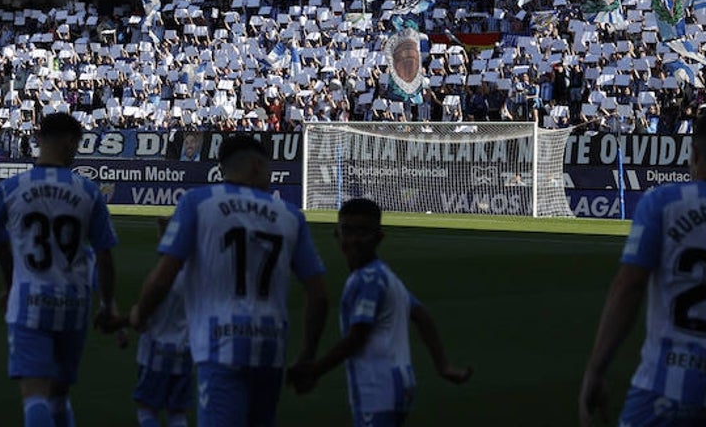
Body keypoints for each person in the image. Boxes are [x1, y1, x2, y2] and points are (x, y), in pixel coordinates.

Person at [580, 109, 706, 427]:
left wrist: (596, 369)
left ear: (694, 153)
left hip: (662, 390)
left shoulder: (662, 203)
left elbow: (628, 287)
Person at [130, 133, 328, 427]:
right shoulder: (289, 214)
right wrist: (308, 355)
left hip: (220, 342)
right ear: (257, 166)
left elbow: (164, 277)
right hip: (271, 346)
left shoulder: (199, 202)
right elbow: (318, 293)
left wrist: (140, 314)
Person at [0, 111, 120, 427]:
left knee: (35, 394)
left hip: (28, 303)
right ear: (69, 142)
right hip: (73, 303)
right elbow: (105, 255)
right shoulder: (89, 190)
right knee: (59, 396)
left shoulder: (9, 188)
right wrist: (108, 304)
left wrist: (8, 278)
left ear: (39, 139)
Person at [287, 198, 471, 424]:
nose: (354, 240)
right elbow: (421, 314)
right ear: (337, 234)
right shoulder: (385, 276)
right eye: (347, 231)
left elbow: (358, 336)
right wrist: (442, 365)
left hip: (378, 387)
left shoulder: (368, 279)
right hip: (397, 382)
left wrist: (314, 371)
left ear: (378, 237)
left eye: (363, 232)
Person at [133, 217, 192, 427]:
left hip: (156, 350)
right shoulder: (195, 279)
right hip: (185, 351)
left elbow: (143, 312)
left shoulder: (161, 279)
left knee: (147, 409)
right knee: (177, 413)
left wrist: (135, 315)